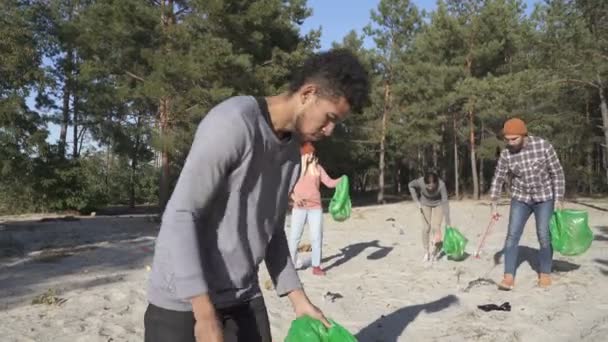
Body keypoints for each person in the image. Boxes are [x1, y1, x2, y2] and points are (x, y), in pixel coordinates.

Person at [144, 49, 370, 342]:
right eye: (329, 118)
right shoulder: (233, 123)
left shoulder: (291, 153)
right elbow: (181, 213)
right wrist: (203, 314)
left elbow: (271, 231)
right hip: (183, 300)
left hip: (243, 295)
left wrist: (299, 301)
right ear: (308, 93)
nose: (329, 131)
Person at [489, 118, 565, 290]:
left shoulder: (543, 146)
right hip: (520, 198)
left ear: (524, 135)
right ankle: (508, 277)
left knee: (544, 236)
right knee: (512, 236)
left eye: (514, 139)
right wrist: (494, 203)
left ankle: (544, 273)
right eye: (507, 139)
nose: (510, 142)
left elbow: (557, 173)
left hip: (544, 197)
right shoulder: (506, 154)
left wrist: (559, 198)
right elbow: (498, 178)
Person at [288, 142, 343, 276]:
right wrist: (295, 198)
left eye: (313, 153)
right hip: (299, 208)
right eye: (308, 153)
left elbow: (329, 182)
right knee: (294, 237)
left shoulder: (318, 168)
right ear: (303, 155)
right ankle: (290, 265)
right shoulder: (296, 169)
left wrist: (342, 180)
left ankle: (316, 266)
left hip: (315, 208)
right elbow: (287, 188)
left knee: (316, 237)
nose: (311, 155)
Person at [408, 171, 451, 262]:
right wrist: (416, 201)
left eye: (433, 185)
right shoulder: (420, 182)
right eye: (428, 186)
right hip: (424, 203)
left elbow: (445, 202)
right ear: (425, 183)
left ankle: (435, 252)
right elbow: (410, 185)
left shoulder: (441, 185)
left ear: (436, 183)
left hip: (438, 204)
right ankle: (426, 251)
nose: (431, 188)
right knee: (426, 228)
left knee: (436, 227)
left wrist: (448, 222)